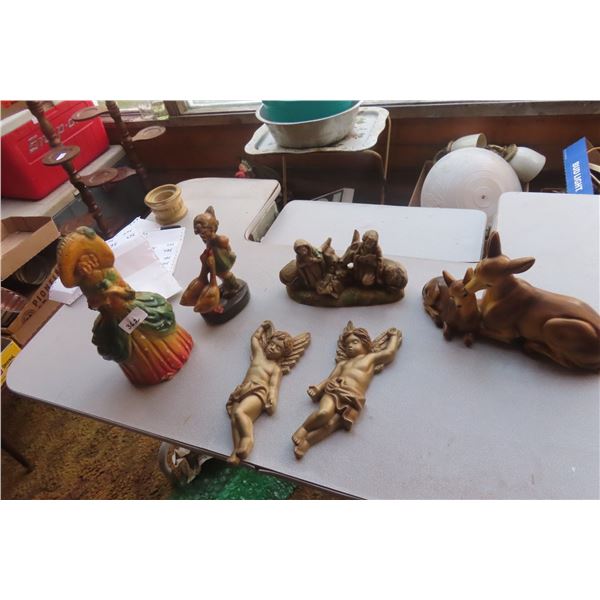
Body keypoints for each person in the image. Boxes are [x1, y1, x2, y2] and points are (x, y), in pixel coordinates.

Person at [57, 227, 193, 386]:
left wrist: (114, 291)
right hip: (112, 318)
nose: (85, 266)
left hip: (130, 307)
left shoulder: (109, 271)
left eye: (86, 260)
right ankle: (150, 372)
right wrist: (101, 302)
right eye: (79, 265)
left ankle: (175, 353)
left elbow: (128, 292)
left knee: (156, 316)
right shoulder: (86, 285)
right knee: (118, 344)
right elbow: (92, 303)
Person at [292, 322, 401, 458]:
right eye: (347, 344)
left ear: (365, 344)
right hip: (334, 390)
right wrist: (318, 388)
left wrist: (393, 337)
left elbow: (389, 353)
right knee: (324, 412)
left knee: (331, 424)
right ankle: (304, 428)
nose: (350, 345)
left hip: (353, 398)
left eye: (354, 342)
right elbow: (330, 378)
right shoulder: (343, 363)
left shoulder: (370, 359)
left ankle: (308, 442)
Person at [227, 321, 310, 465]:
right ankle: (235, 451)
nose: (272, 348)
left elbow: (273, 387)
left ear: (283, 354)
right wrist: (262, 327)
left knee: (241, 413)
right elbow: (254, 338)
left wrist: (272, 399)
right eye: (272, 344)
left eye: (278, 348)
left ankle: (247, 439)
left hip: (258, 392)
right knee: (234, 420)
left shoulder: (275, 368)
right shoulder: (258, 354)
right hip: (242, 389)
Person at [181, 206, 240, 313]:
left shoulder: (218, 239)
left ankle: (234, 287)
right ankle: (227, 286)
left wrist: (228, 253)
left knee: (225, 274)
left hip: (222, 260)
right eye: (200, 234)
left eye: (203, 233)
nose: (202, 236)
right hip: (214, 260)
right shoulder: (207, 239)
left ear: (212, 229)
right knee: (219, 274)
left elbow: (226, 243)